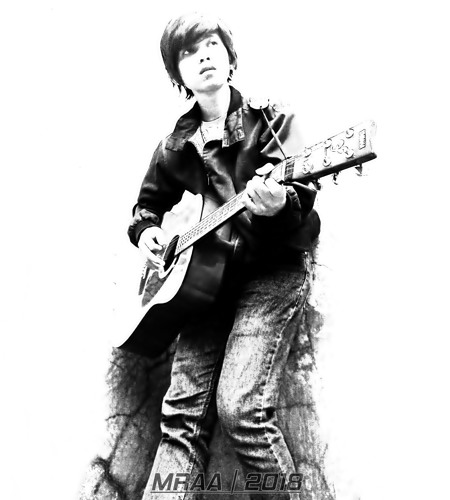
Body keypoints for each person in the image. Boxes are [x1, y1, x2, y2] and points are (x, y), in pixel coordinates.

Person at [127, 12, 320, 500]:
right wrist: (148, 233)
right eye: (188, 52)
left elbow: (300, 197)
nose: (204, 56)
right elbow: (145, 207)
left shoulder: (270, 117)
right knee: (180, 416)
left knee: (241, 410)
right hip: (205, 281)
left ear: (230, 58)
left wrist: (278, 206)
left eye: (211, 44)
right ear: (178, 75)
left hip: (271, 272)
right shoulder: (174, 145)